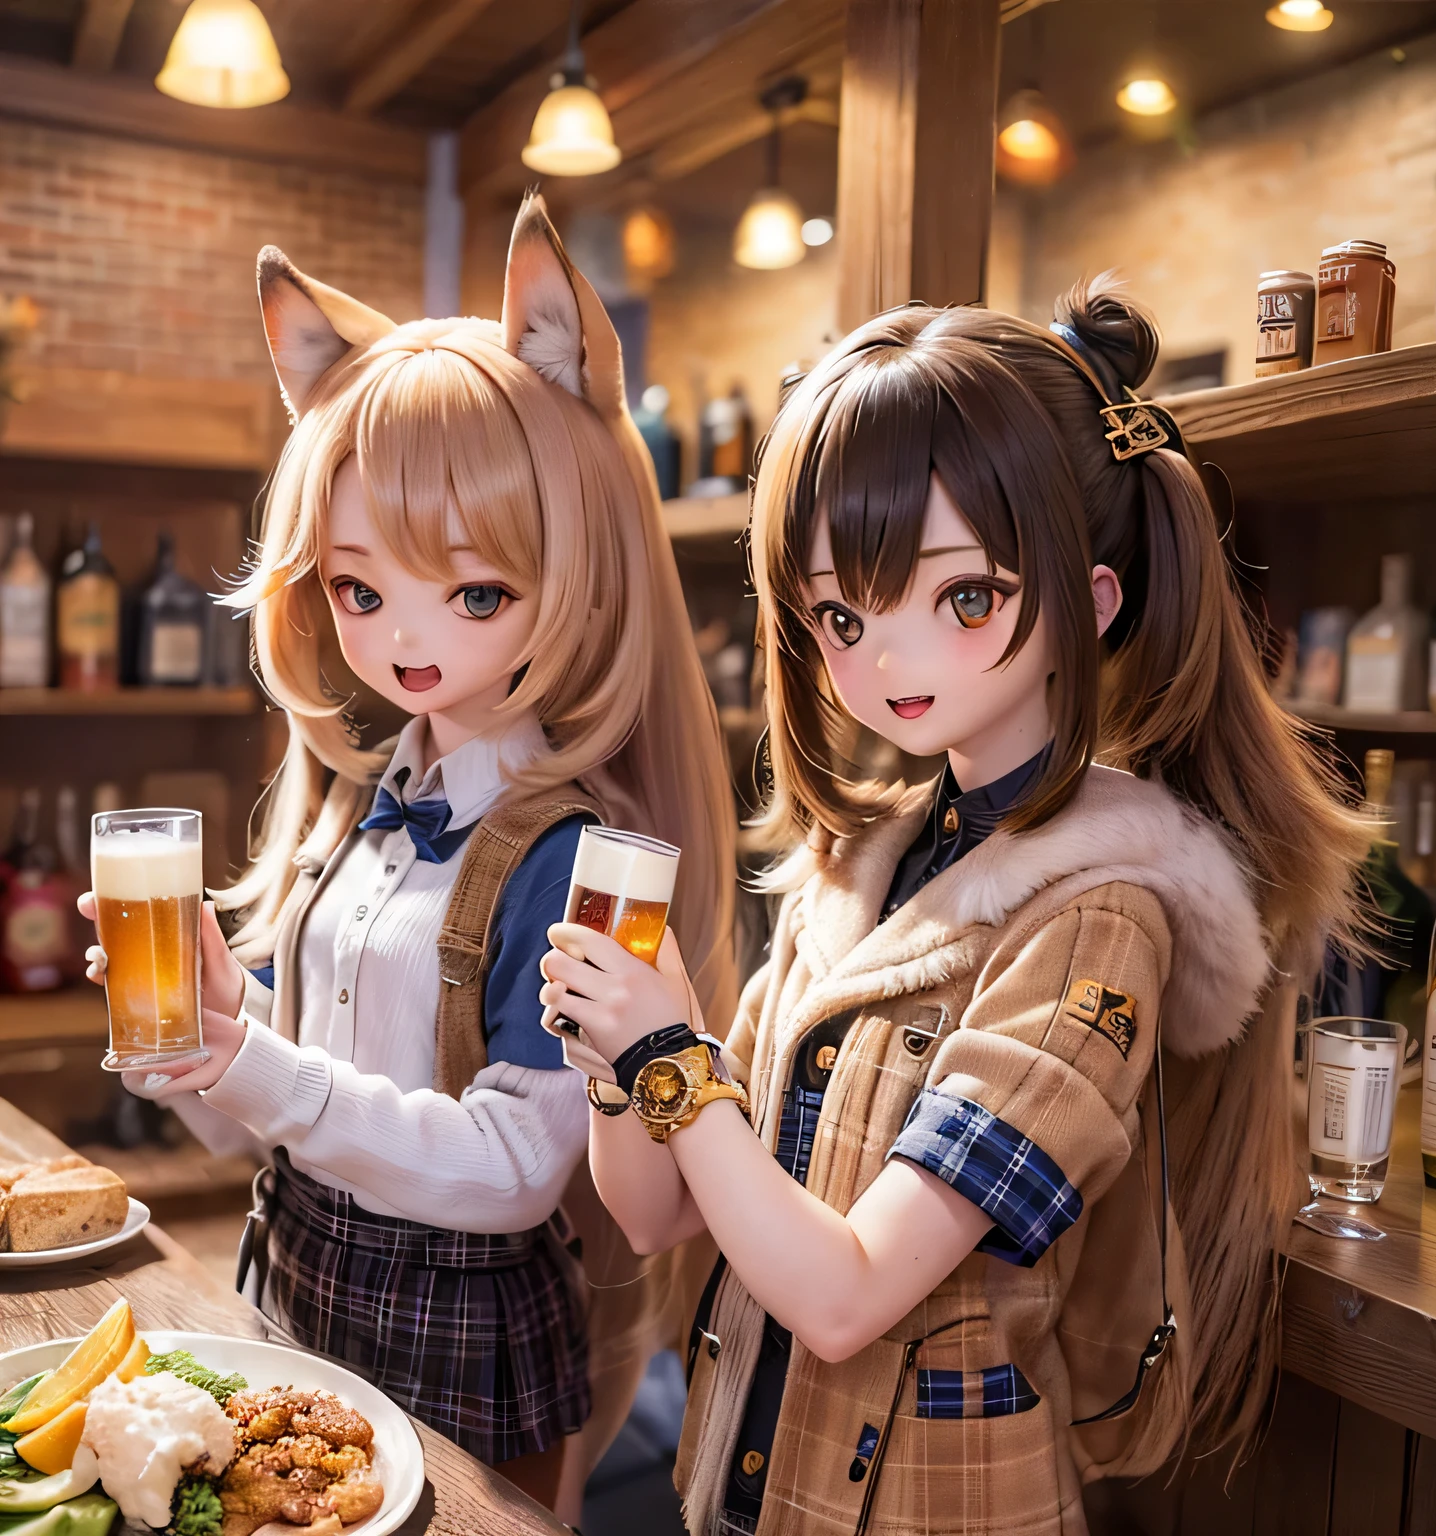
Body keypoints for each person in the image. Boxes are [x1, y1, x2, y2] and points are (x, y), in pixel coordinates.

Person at [539, 282, 1369, 1535]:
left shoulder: (1099, 921)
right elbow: (656, 1212)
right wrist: (616, 1056)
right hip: (749, 1487)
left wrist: (670, 1054)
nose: (887, 659)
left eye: (964, 598)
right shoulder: (859, 866)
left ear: (1086, 609)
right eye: (840, 614)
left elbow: (844, 1294)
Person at [81, 195, 736, 1520]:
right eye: (359, 588)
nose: (405, 638)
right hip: (293, 1276)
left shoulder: (582, 860)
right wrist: (209, 1040)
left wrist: (252, 1062)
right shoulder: (369, 800)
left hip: (458, 1331)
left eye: (477, 592)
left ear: (572, 571)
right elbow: (309, 1077)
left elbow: (511, 1170)